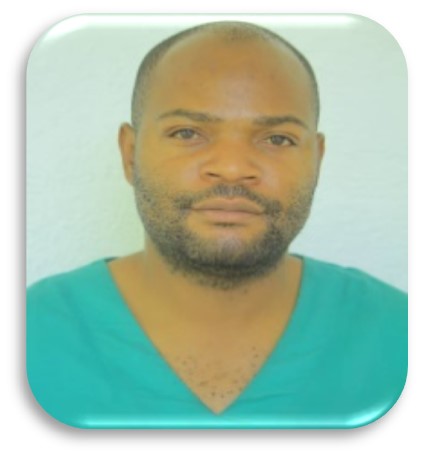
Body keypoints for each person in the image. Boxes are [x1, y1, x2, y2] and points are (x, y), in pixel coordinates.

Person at [27, 20, 407, 429]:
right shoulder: (29, 330)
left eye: (277, 139)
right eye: (187, 132)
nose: (232, 168)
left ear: (316, 160)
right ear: (130, 154)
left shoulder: (399, 333)